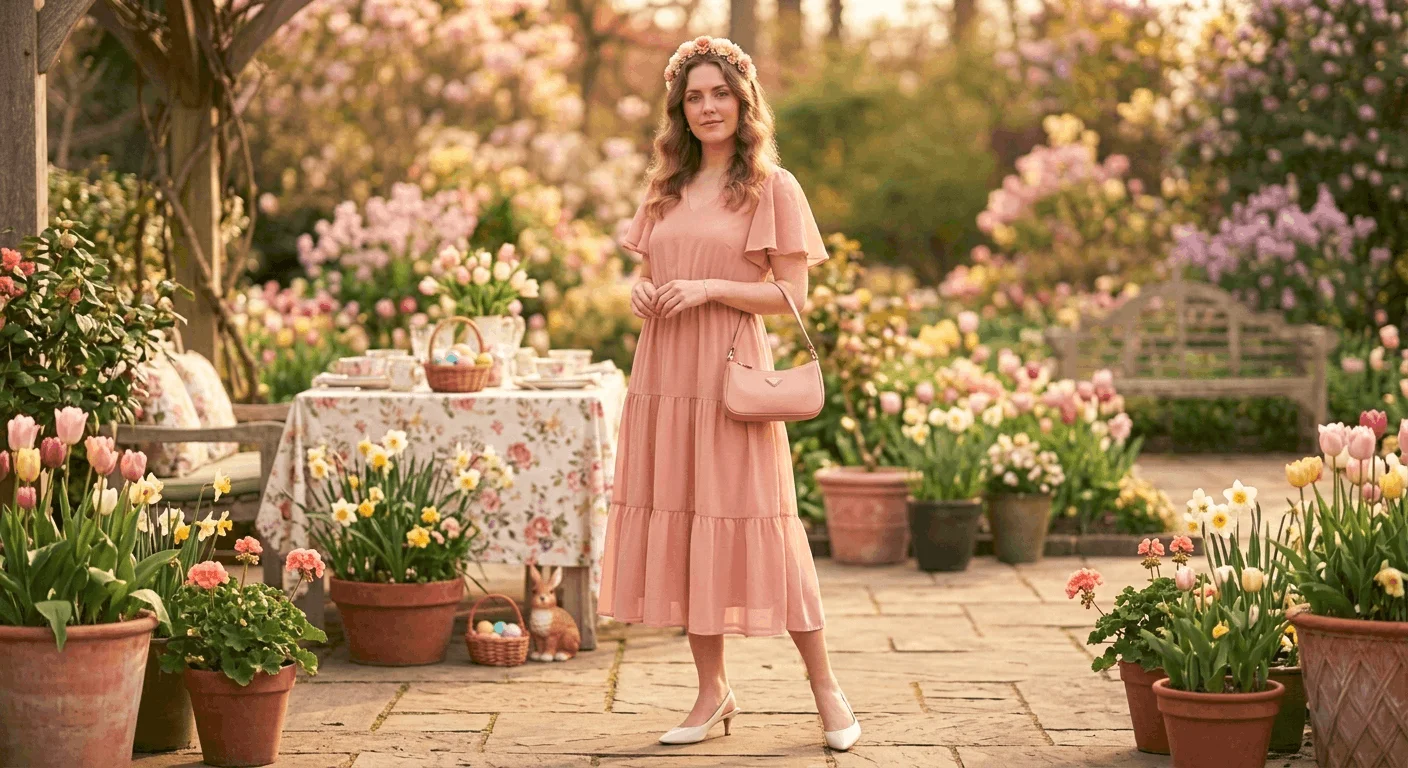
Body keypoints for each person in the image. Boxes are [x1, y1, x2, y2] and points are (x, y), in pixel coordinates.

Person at [596, 35, 860, 752]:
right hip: (663, 375)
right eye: (694, 97)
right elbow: (650, 275)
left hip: (731, 373)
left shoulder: (774, 186)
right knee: (688, 524)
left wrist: (711, 287)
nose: (707, 107)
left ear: (744, 102)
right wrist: (644, 295)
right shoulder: (666, 187)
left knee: (764, 522)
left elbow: (792, 297)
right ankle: (711, 692)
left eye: (720, 94)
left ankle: (825, 688)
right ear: (679, 110)